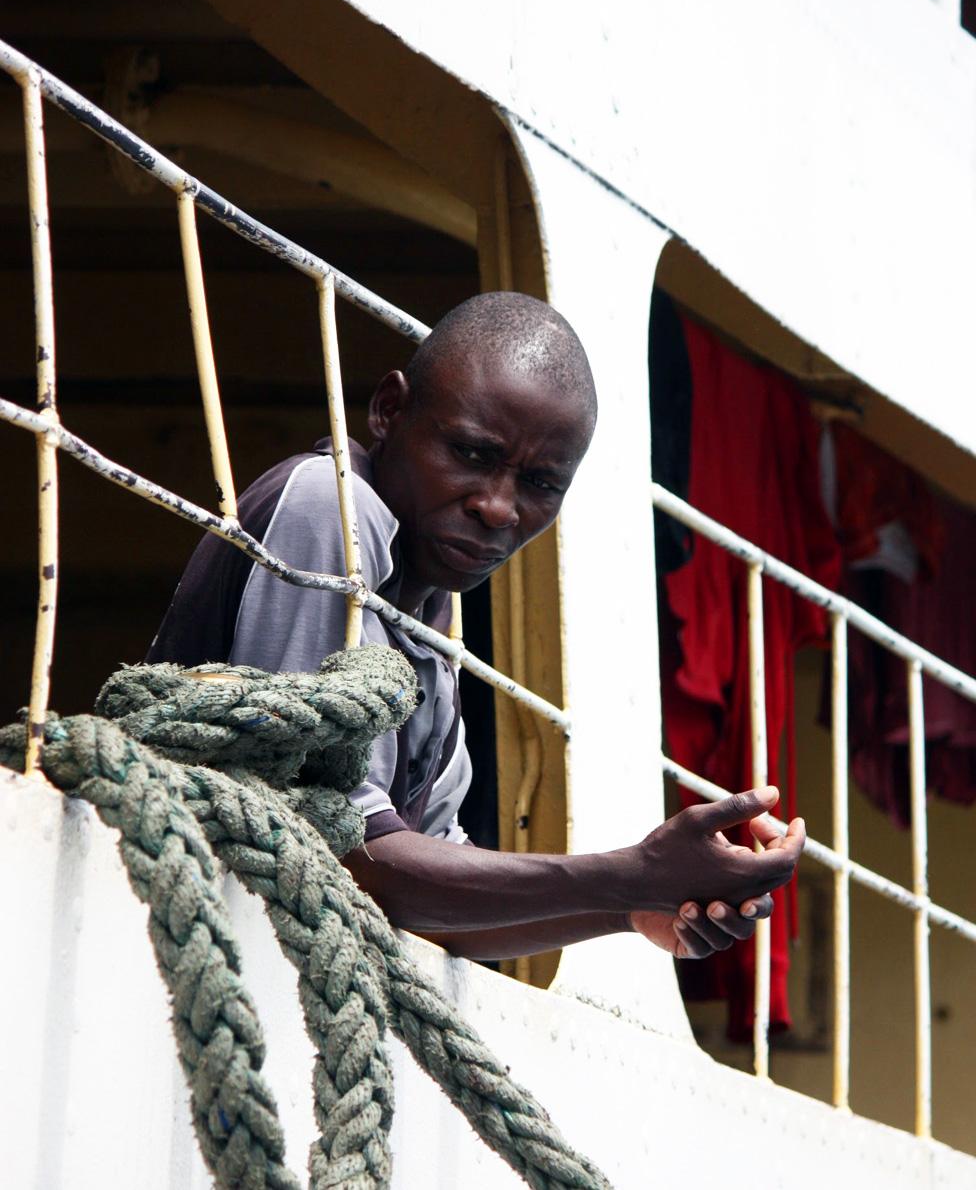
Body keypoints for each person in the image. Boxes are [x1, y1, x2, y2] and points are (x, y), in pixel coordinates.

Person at [149, 292, 805, 963]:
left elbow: (435, 903)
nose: (498, 509)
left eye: (542, 486)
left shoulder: (429, 615)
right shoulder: (329, 504)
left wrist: (636, 910)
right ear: (389, 409)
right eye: (470, 453)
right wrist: (630, 874)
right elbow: (336, 851)